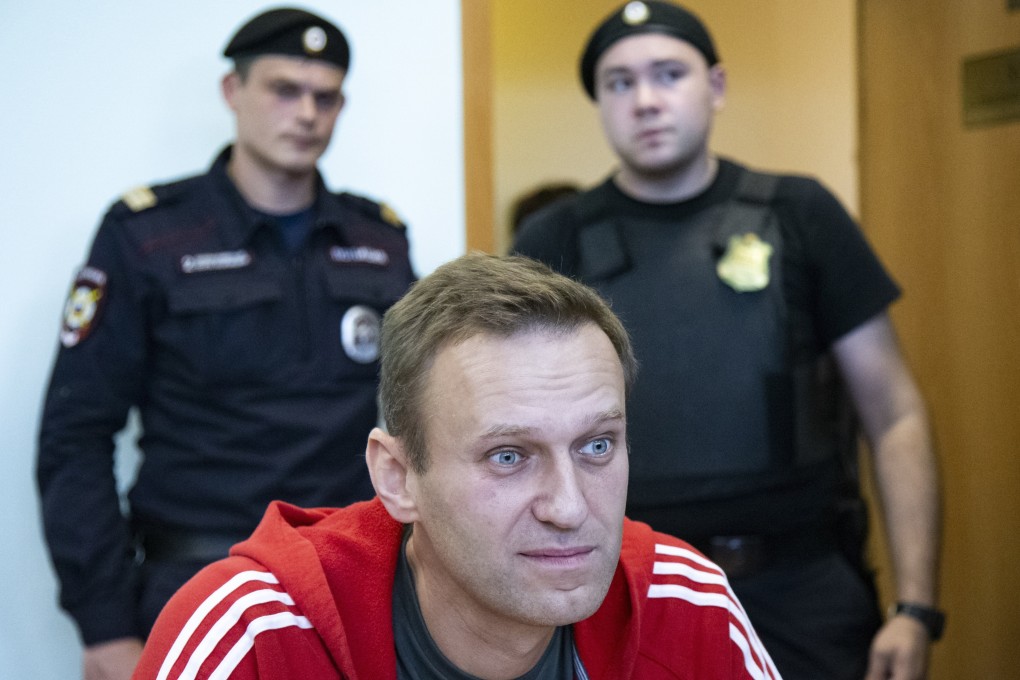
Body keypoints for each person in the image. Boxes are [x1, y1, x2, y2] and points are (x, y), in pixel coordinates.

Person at [512, 3, 942, 679]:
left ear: (714, 86)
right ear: (600, 103)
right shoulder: (553, 240)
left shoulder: (800, 214)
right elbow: (513, 427)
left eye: (668, 74)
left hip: (799, 588)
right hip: (624, 591)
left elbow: (894, 414)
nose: (647, 100)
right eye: (620, 83)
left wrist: (916, 609)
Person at [132, 252, 780, 679]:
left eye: (596, 446)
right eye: (508, 456)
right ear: (397, 478)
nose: (571, 507)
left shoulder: (683, 604)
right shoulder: (254, 636)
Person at [36, 8, 415, 679]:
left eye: (324, 97)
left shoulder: (379, 242)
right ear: (232, 92)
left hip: (352, 581)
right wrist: (105, 627)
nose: (306, 113)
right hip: (195, 580)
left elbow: (422, 416)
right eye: (283, 90)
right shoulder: (148, 236)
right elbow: (75, 436)